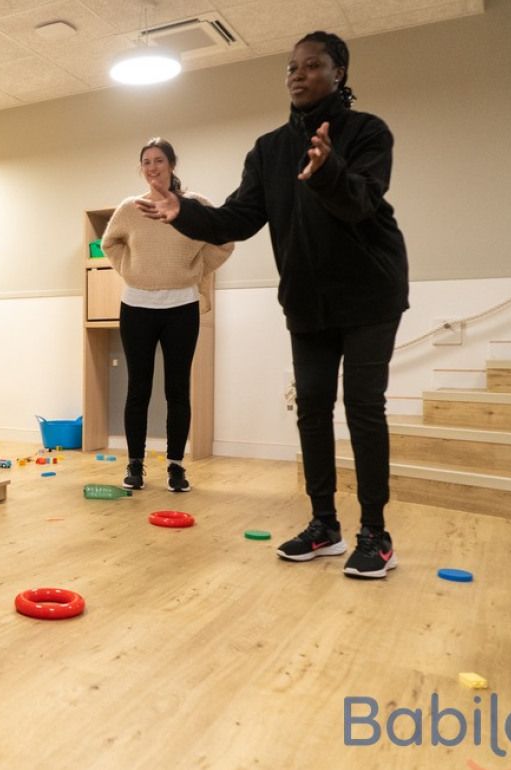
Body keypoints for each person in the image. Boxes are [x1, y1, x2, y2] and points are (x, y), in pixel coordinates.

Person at [136, 31, 409, 579]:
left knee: (361, 407)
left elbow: (360, 203)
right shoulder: (269, 150)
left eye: (313, 65)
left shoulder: (367, 132)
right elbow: (236, 219)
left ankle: (376, 533)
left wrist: (328, 168)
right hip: (307, 299)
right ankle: (324, 525)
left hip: (370, 292)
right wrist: (182, 209)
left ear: (340, 73)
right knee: (311, 407)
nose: (298, 74)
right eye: (292, 66)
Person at [101, 138, 233, 493]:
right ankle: (135, 465)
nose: (152, 167)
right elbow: (109, 243)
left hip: (182, 307)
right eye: (146, 162)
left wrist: (196, 269)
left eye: (159, 160)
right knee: (138, 389)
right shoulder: (131, 208)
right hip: (136, 307)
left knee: (177, 389)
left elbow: (223, 240)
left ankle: (176, 466)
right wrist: (130, 269)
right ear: (141, 168)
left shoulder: (193, 205)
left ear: (172, 164)